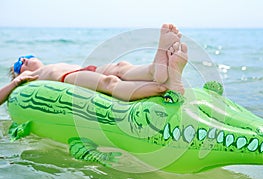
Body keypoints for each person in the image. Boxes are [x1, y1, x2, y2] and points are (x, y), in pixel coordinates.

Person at [0, 24, 188, 105]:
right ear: (18, 75)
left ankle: (156, 69)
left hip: (83, 69)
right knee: (109, 82)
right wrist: (16, 82)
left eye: (25, 56)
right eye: (18, 64)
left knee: (120, 66)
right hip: (68, 78)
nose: (23, 60)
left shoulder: (47, 65)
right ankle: (162, 86)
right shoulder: (27, 81)